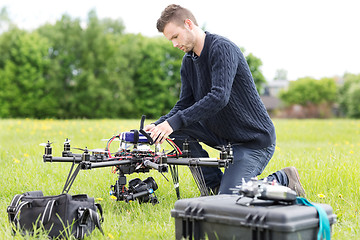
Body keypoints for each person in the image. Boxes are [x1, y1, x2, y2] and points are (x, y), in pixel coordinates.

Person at [144, 4, 305, 196]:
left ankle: (284, 179)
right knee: (175, 129)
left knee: (230, 200)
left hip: (252, 140)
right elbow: (184, 104)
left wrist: (173, 122)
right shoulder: (188, 61)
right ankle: (213, 186)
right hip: (224, 136)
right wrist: (159, 126)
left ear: (188, 24)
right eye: (170, 40)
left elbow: (219, 97)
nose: (174, 44)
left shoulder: (222, 49)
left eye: (175, 37)